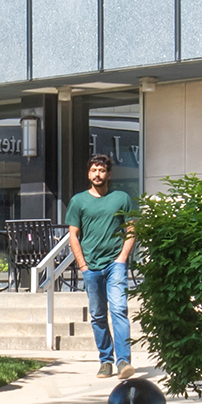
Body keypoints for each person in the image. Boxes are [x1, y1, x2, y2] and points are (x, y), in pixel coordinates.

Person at [62, 154, 138, 378]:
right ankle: (105, 361)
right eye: (94, 170)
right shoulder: (78, 201)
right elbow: (73, 235)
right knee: (97, 315)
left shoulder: (121, 198)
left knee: (118, 310)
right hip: (91, 267)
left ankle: (123, 361)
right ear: (88, 174)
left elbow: (131, 228)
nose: (98, 174)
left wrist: (122, 257)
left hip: (115, 264)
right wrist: (83, 265)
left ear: (109, 174)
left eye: (102, 170)